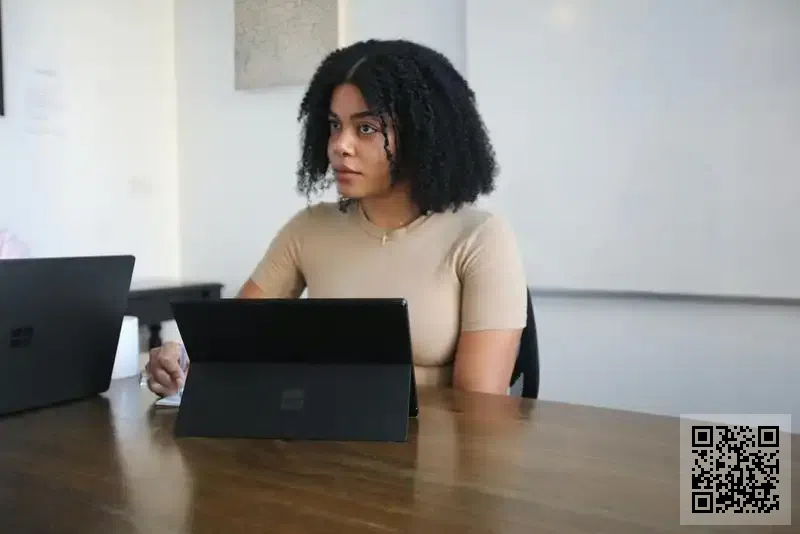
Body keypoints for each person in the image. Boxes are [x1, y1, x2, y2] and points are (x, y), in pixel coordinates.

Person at [146, 38, 528, 398]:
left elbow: (477, 408)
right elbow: (226, 343)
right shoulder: (310, 228)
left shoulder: (480, 237)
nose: (340, 146)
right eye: (334, 126)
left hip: (434, 445)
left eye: (366, 128)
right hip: (325, 439)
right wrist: (179, 360)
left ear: (422, 135)